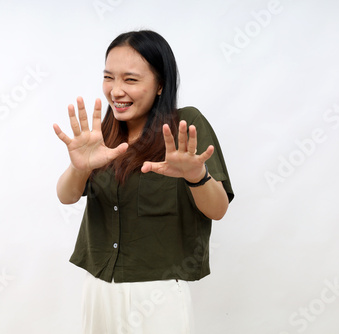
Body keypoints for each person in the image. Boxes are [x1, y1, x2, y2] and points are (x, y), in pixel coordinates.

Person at [53, 30, 234, 334]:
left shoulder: (184, 125)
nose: (116, 91)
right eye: (109, 77)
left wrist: (195, 175)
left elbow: (217, 209)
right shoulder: (103, 132)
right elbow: (66, 196)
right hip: (99, 287)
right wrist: (79, 167)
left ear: (160, 84)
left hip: (157, 294)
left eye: (131, 80)